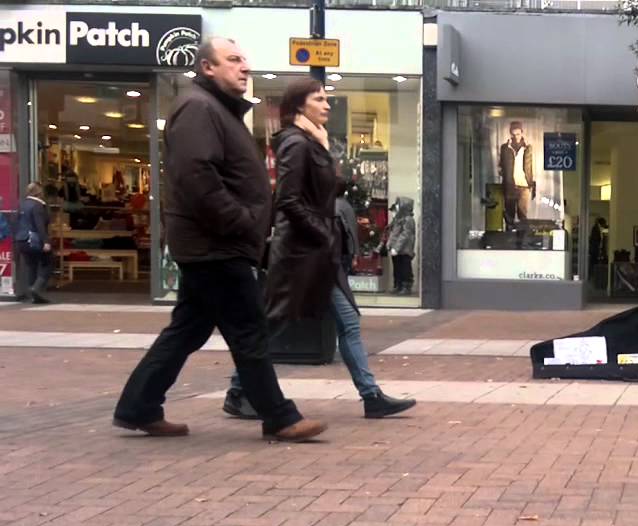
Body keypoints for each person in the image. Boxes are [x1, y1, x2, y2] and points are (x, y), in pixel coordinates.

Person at [113, 38, 325, 442]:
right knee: (249, 330)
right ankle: (279, 416)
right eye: (233, 60)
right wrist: (242, 222)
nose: (244, 67)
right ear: (207, 68)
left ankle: (138, 406)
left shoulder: (215, 110)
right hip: (215, 245)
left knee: (188, 330)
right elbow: (197, 178)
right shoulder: (198, 108)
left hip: (214, 244)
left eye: (245, 60)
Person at [223, 78, 416, 422]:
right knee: (275, 322)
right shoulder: (295, 144)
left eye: (327, 99)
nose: (327, 105)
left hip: (319, 253)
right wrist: (322, 235)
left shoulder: (313, 142)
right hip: (301, 253)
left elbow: (320, 191)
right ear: (300, 106)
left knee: (348, 322)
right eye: (320, 99)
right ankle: (238, 391)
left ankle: (371, 396)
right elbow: (289, 200)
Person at [14, 183, 53, 305]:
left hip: (21, 240)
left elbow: (16, 222)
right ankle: (36, 288)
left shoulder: (22, 204)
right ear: (40, 193)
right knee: (49, 262)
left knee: (31, 266)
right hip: (34, 240)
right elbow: (39, 225)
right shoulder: (38, 206)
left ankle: (33, 295)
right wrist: (46, 242)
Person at [499, 121, 535, 232]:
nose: (516, 137)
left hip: (524, 185)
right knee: (509, 215)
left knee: (522, 214)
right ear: (510, 133)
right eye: (513, 134)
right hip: (510, 185)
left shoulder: (527, 147)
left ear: (522, 133)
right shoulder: (505, 148)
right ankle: (510, 239)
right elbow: (501, 165)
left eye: (518, 134)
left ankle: (522, 241)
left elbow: (530, 167)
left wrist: (531, 185)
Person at [386, 197, 416, 295]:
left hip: (404, 249)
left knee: (405, 268)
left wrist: (396, 247)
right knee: (397, 268)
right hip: (397, 249)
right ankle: (398, 285)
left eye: (398, 205)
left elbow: (405, 235)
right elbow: (393, 233)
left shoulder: (408, 220)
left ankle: (406, 286)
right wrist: (390, 245)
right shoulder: (398, 219)